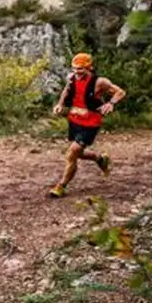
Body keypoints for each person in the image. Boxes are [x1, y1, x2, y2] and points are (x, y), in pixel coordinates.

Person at [47, 53, 126, 198]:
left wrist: (111, 103)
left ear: (89, 67)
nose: (77, 72)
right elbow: (66, 90)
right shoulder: (72, 78)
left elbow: (120, 92)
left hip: (91, 122)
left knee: (72, 153)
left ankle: (61, 186)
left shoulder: (100, 82)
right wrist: (60, 104)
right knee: (79, 153)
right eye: (74, 68)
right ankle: (100, 159)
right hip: (74, 119)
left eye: (81, 69)